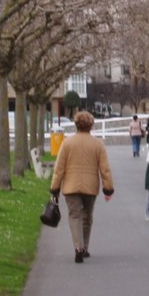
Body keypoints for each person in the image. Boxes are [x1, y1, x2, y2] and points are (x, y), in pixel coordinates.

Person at [50, 111, 115, 264]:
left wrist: (55, 188)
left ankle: (77, 247)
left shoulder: (67, 143)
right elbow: (105, 169)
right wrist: (108, 188)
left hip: (71, 186)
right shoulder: (97, 144)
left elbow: (59, 168)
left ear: (76, 125)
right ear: (91, 125)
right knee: (87, 217)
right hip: (90, 187)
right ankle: (84, 247)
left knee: (74, 216)